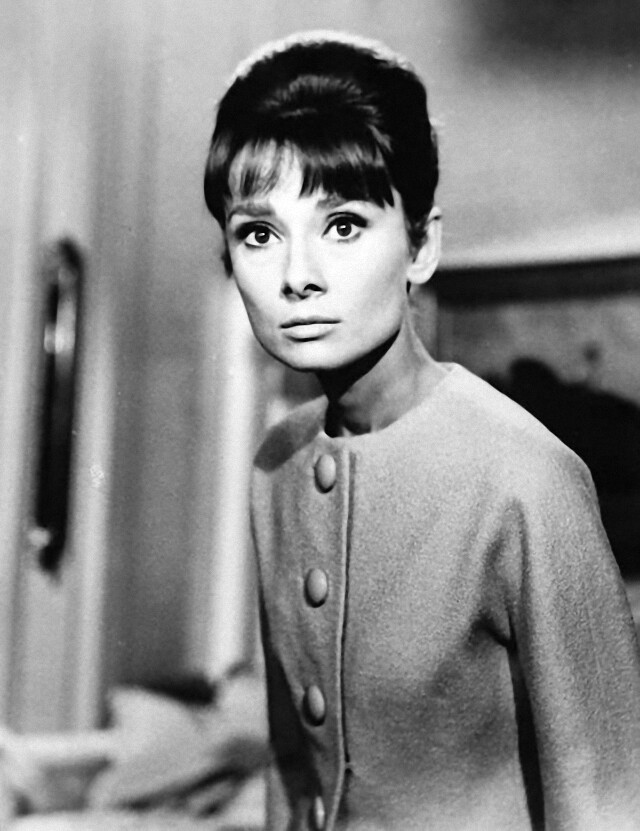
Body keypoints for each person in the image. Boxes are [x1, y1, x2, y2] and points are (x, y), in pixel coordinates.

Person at [203, 31, 640, 830]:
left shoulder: (524, 478)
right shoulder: (276, 464)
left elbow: (609, 804)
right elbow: (293, 771)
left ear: (422, 245)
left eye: (343, 225)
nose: (298, 276)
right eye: (259, 233)